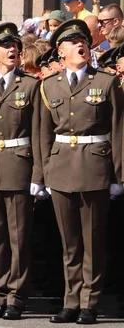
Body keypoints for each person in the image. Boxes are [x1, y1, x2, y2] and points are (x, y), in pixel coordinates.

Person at [40, 20, 124, 325]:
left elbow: (118, 131)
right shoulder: (49, 85)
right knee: (70, 243)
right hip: (61, 167)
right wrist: (43, 174)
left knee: (93, 240)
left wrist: (118, 176)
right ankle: (70, 301)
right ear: (61, 52)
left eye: (85, 42)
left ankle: (90, 302)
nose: (82, 46)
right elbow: (43, 134)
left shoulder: (105, 82)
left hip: (95, 167)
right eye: (74, 43)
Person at [0, 23, 43, 320]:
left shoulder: (29, 85)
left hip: (18, 163)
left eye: (15, 46)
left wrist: (38, 176)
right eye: (6, 46)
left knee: (18, 237)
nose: (13, 50)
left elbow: (39, 133)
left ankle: (16, 296)